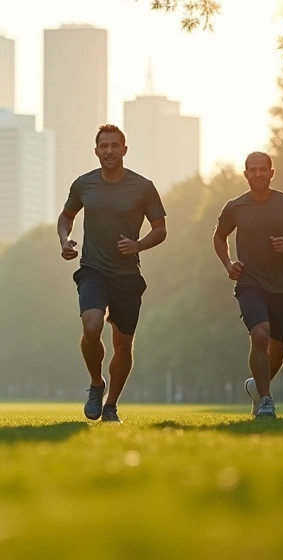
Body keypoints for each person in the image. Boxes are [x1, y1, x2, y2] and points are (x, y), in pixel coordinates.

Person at [57, 124, 166, 423]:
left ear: (124, 150)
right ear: (96, 151)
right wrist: (64, 240)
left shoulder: (143, 187)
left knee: (123, 344)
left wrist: (138, 245)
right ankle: (96, 384)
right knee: (91, 326)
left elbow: (161, 229)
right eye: (103, 146)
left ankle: (111, 405)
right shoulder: (84, 185)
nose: (109, 151)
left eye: (114, 146)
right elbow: (66, 216)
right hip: (93, 269)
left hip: (128, 275)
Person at [212, 151, 283, 419]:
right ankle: (266, 400)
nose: (257, 174)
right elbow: (219, 237)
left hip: (281, 287)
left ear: (271, 172)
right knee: (260, 333)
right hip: (249, 283)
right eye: (252, 170)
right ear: (245, 174)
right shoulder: (235, 207)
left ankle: (257, 387)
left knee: (277, 353)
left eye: (262, 169)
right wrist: (228, 264)